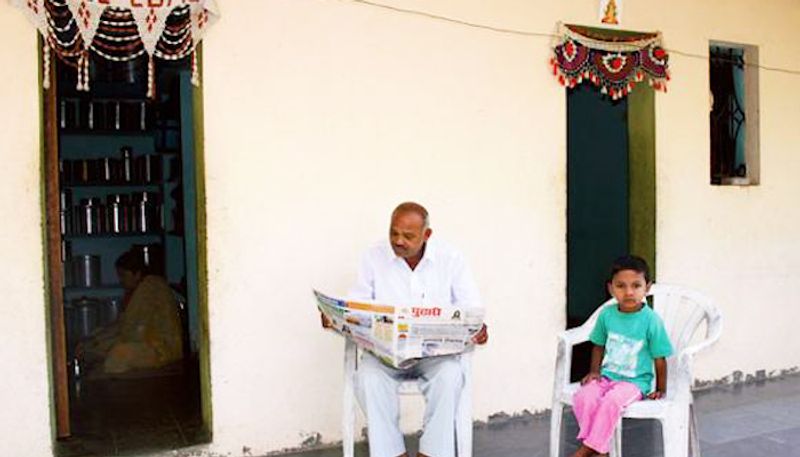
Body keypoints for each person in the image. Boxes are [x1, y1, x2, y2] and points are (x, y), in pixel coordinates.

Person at [321, 202, 488, 457]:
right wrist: (337, 320)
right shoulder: (373, 256)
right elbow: (358, 308)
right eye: (393, 233)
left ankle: (431, 453)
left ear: (427, 235)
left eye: (408, 236)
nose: (398, 241)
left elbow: (471, 308)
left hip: (434, 357)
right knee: (368, 378)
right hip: (386, 356)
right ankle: (393, 453)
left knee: (450, 376)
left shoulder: (451, 258)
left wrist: (477, 329)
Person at [570, 255, 673, 457]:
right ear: (611, 288)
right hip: (607, 376)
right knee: (584, 396)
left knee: (611, 401)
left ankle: (585, 450)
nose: (628, 292)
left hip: (635, 383)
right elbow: (598, 346)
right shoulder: (607, 315)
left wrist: (661, 389)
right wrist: (594, 372)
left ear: (647, 287)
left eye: (636, 285)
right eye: (621, 286)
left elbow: (660, 358)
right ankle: (601, 450)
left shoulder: (651, 320)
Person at [77, 250, 184, 377]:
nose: (121, 280)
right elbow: (123, 324)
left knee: (118, 354)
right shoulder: (136, 289)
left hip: (162, 349)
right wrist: (94, 339)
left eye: (123, 275)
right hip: (145, 341)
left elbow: (132, 331)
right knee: (96, 340)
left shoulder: (151, 287)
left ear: (137, 274)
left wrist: (100, 344)